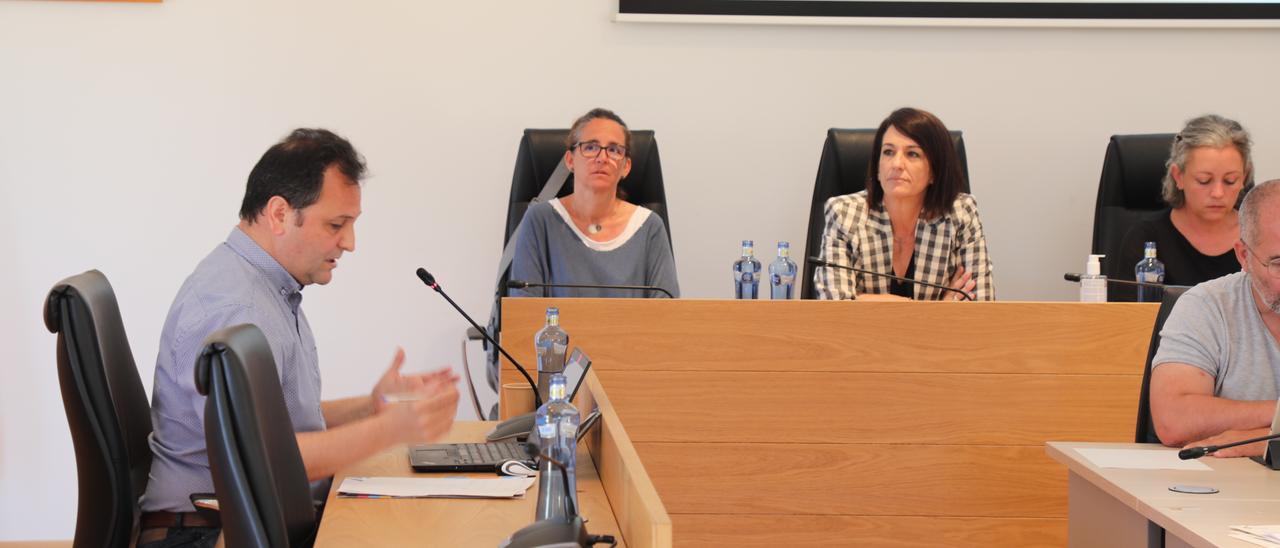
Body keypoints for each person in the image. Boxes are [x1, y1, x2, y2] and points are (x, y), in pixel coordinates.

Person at [138, 129, 459, 547]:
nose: (350, 243)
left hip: (241, 521)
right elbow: (261, 461)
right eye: (336, 225)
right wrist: (389, 429)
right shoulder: (237, 307)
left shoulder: (263, 287)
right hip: (207, 533)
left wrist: (373, 405)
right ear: (279, 214)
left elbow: (272, 425)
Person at [1150, 179, 1280, 458]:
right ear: (1244, 256)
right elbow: (1173, 420)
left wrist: (1262, 442)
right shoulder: (1207, 306)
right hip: (1226, 489)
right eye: (1279, 264)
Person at [814, 107, 994, 301]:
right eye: (888, 152)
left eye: (912, 154)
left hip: (941, 333)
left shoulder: (960, 213)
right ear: (877, 167)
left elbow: (980, 304)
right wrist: (938, 308)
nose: (897, 164)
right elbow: (834, 307)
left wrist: (862, 299)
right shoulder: (844, 214)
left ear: (935, 171)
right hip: (862, 333)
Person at [507, 108, 679, 299]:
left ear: (626, 167)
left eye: (614, 150)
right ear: (570, 160)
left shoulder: (650, 227)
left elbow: (666, 317)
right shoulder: (539, 220)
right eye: (590, 147)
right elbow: (523, 313)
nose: (602, 158)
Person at [1111, 114, 1252, 301]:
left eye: (1230, 180)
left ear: (1244, 176)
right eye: (1204, 181)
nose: (1218, 192)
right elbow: (1127, 319)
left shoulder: (1259, 236)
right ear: (1178, 176)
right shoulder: (1146, 239)